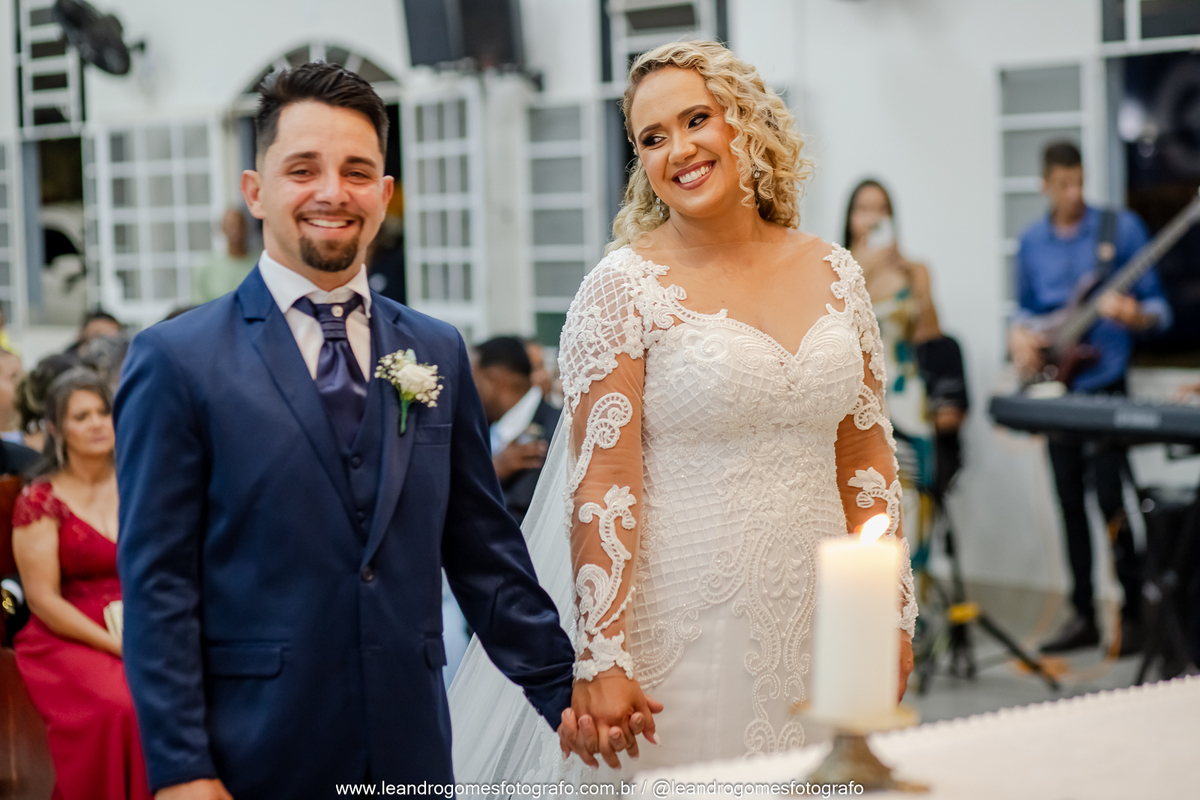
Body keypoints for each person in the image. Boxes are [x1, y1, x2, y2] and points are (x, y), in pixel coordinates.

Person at [114, 63, 604, 800]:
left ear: (384, 191)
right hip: (255, 753)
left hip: (409, 746)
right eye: (302, 169)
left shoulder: (436, 349)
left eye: (357, 171)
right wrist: (182, 769)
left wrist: (564, 689)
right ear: (255, 190)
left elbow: (482, 549)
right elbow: (158, 585)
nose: (333, 192)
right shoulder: (175, 360)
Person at [451, 41, 915, 779]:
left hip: (828, 624)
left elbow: (866, 459)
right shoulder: (623, 288)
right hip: (685, 632)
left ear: (745, 121)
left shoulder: (835, 272)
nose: (680, 150)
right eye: (653, 138)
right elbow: (601, 484)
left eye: (697, 119)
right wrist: (603, 655)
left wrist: (888, 613)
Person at [1008, 141, 1172, 655]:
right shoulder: (1031, 243)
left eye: (1079, 181)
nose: (1074, 193)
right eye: (1063, 184)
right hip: (1056, 387)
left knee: (1110, 499)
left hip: (1105, 383)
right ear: (1045, 185)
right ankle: (1084, 615)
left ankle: (1135, 614)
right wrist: (1019, 336)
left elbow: (1160, 308)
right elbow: (1024, 311)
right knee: (1069, 503)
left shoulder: (1119, 229)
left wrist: (1134, 315)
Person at [11, 367, 152, 800]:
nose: (96, 424)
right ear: (56, 429)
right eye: (81, 416)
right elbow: (42, 599)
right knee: (124, 704)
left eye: (103, 412)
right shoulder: (40, 499)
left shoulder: (141, 482)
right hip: (69, 631)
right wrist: (116, 646)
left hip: (147, 615)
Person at [471, 336, 560, 524]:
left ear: (494, 380)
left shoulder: (554, 432)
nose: (468, 390)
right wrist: (493, 472)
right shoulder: (481, 428)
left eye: (472, 380)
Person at [191, 208, 258, 303]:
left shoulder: (258, 266)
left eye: (239, 225)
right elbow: (198, 305)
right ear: (222, 229)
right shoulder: (207, 268)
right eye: (230, 226)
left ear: (246, 228)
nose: (235, 231)